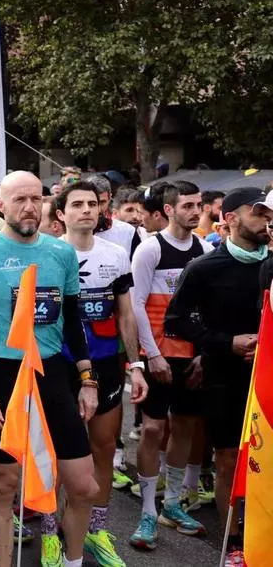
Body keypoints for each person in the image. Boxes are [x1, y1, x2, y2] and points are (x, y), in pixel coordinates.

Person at [0, 171, 98, 567]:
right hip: (0, 376)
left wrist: (88, 379)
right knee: (3, 486)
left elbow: (73, 321)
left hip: (51, 373)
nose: (30, 207)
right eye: (20, 200)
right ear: (1, 205)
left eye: (36, 198)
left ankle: (72, 561)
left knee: (83, 485)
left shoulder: (61, 253)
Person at [164, 187, 271, 566]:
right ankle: (233, 543)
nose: (266, 221)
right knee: (228, 458)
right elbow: (175, 321)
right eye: (258, 213)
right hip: (225, 376)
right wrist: (228, 343)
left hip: (267, 377)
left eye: (268, 214)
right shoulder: (203, 268)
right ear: (230, 218)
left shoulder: (271, 264)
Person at [47, 183, 148, 567]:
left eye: (92, 203)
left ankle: (95, 530)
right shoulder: (48, 252)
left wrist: (136, 365)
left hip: (106, 362)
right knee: (57, 453)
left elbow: (126, 314)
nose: (87, 209)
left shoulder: (116, 254)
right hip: (59, 364)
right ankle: (50, 532)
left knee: (104, 446)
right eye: (77, 204)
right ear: (61, 214)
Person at [128, 180, 213, 549]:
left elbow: (210, 308)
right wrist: (152, 354)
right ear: (169, 210)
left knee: (185, 427)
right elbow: (136, 305)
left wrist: (203, 354)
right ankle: (148, 512)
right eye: (187, 205)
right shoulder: (150, 249)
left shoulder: (205, 249)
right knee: (151, 430)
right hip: (158, 355)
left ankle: (172, 504)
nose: (195, 211)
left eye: (199, 205)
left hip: (191, 356)